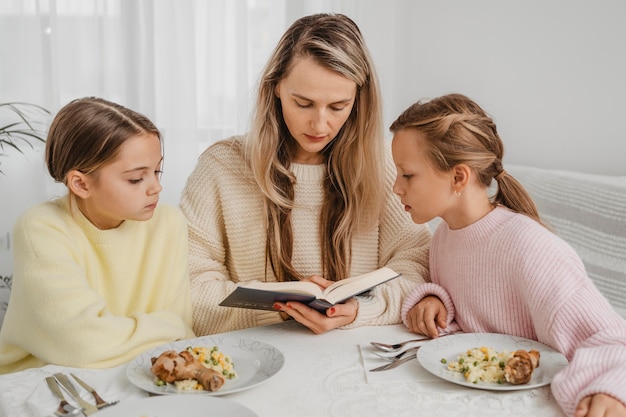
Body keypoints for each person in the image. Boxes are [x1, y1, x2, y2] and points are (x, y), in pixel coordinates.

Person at [180, 13, 431, 336]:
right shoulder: (222, 167)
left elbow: (419, 267)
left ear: (359, 100)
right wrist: (282, 308)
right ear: (276, 88)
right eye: (303, 103)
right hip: (255, 361)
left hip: (360, 358)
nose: (320, 125)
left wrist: (359, 309)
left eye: (338, 106)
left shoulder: (385, 162)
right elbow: (189, 290)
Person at [391, 93, 626, 417]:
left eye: (407, 175)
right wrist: (437, 299)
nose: (396, 188)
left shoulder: (531, 249)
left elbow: (611, 338)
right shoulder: (445, 237)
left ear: (459, 177)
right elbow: (480, 311)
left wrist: (612, 390)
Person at [0, 97, 195, 374]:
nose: (156, 187)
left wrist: (170, 328)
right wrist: (168, 327)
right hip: (47, 380)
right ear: (80, 183)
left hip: (144, 374)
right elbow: (80, 344)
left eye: (157, 171)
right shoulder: (40, 227)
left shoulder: (167, 224)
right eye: (136, 179)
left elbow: (180, 333)